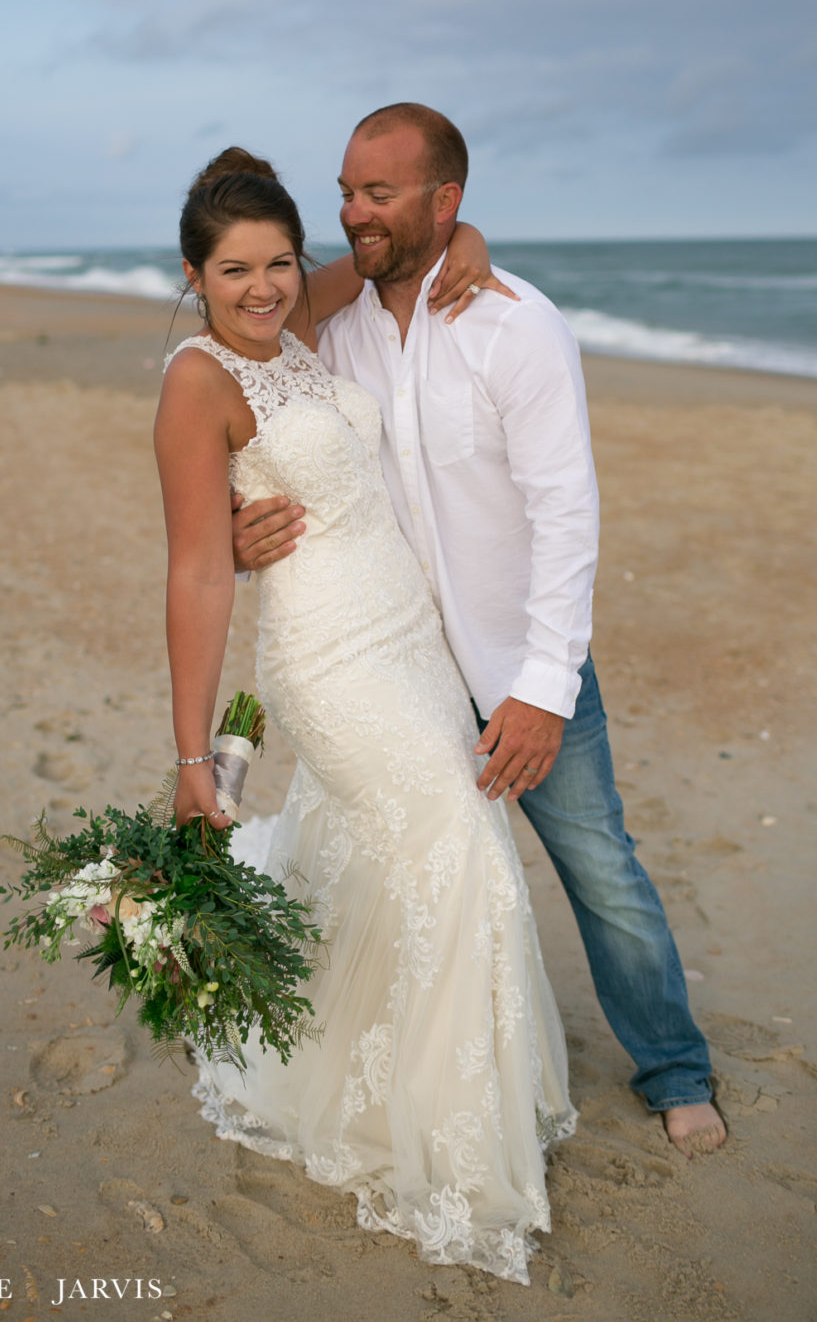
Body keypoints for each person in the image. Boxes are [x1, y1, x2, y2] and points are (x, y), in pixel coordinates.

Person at [233, 104, 727, 1159]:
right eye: (347, 191)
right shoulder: (334, 329)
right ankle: (413, 1086)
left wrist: (545, 690)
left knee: (601, 873)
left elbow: (567, 515)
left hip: (520, 669)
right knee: (407, 880)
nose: (352, 212)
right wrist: (247, 522)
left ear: (442, 201)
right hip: (398, 668)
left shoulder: (515, 324)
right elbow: (246, 390)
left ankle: (674, 1068)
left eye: (378, 194)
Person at [154, 149, 576, 1285]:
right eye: (233, 269)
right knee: (456, 846)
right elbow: (197, 572)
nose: (262, 288)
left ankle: (396, 1079)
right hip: (330, 655)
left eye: (279, 262)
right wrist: (194, 753)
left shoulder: (304, 314)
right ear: (193, 275)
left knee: (419, 851)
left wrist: (468, 238)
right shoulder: (198, 381)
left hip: (412, 635)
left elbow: (401, 252)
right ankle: (442, 1143)